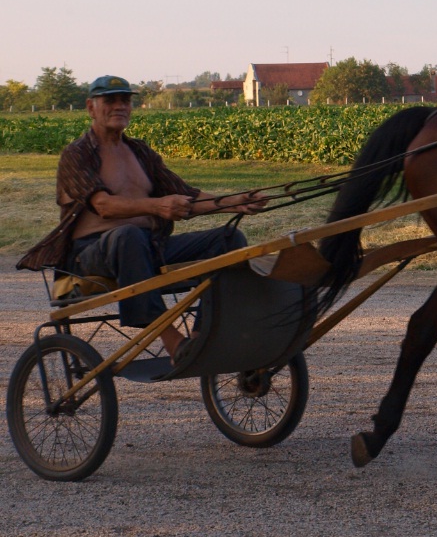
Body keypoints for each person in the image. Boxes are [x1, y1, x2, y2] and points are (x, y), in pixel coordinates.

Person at [17, 75, 266, 359]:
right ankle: (173, 342)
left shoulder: (140, 152)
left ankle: (201, 337)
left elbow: (185, 196)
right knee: (127, 235)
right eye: (110, 100)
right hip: (89, 255)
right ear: (91, 107)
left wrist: (236, 202)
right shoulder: (77, 154)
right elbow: (104, 206)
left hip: (149, 246)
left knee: (229, 239)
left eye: (125, 100)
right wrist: (158, 206)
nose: (119, 106)